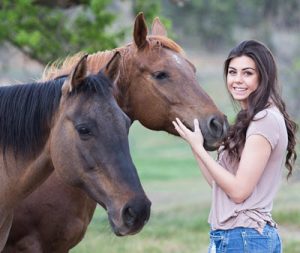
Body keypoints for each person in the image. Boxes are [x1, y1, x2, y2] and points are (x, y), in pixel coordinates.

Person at [172, 40, 298, 253]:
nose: (237, 80)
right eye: (232, 72)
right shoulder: (251, 119)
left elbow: (239, 192)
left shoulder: (264, 119)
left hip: (244, 238)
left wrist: (200, 149)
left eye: (247, 73)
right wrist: (196, 147)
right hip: (235, 236)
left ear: (263, 77)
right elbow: (218, 185)